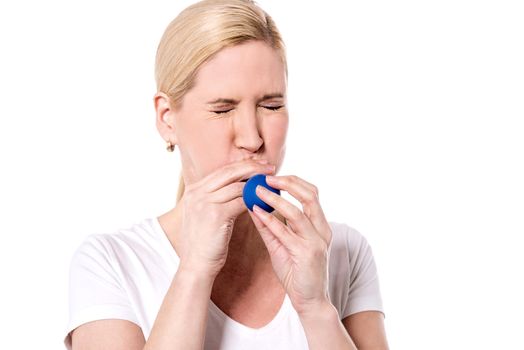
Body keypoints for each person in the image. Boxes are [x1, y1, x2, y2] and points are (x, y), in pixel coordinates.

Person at [64, 0, 389, 349]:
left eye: (271, 106)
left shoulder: (342, 251)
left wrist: (315, 307)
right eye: (222, 109)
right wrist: (194, 272)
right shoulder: (110, 262)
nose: (252, 138)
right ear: (167, 118)